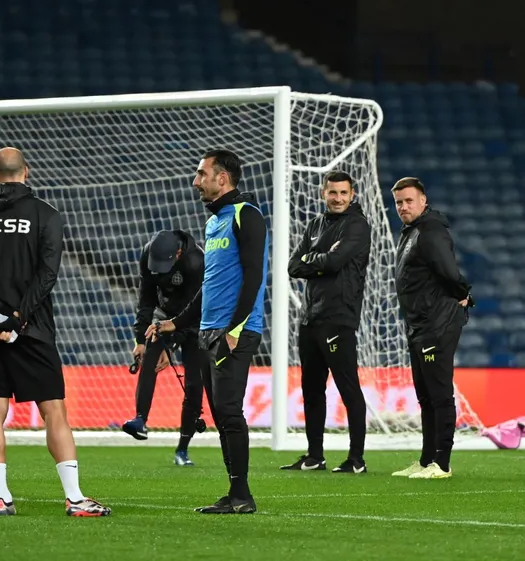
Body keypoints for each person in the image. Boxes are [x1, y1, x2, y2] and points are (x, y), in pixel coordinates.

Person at [0, 147, 111, 517]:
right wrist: (18, 318)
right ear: (27, 171)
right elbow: (47, 274)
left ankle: (2, 498)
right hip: (33, 328)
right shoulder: (45, 214)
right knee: (54, 411)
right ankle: (74, 498)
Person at [149, 149, 268, 514]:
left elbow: (254, 277)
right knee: (220, 414)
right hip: (207, 331)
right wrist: (177, 322)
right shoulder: (215, 222)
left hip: (233, 331)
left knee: (229, 411)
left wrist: (235, 329)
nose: (195, 181)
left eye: (202, 174)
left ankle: (242, 495)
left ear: (222, 178)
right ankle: (235, 493)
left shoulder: (247, 215)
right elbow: (210, 285)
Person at [283, 171, 371, 474]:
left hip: (338, 318)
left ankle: (356, 459)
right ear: (323, 193)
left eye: (343, 193)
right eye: (333, 192)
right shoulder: (315, 225)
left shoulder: (357, 225)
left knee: (348, 388)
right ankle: (314, 456)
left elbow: (334, 262)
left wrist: (313, 261)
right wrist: (319, 262)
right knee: (311, 389)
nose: (338, 198)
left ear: (352, 194)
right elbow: (293, 266)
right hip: (310, 318)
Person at [390, 177, 473, 480]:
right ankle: (427, 460)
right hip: (419, 324)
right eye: (399, 202)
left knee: (439, 394)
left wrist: (464, 294)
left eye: (409, 201)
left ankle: (443, 463)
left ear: (423, 200)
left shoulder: (431, 231)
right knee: (425, 395)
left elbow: (449, 272)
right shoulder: (412, 231)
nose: (403, 207)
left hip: (437, 323)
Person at [123, 229, 212, 466]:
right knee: (150, 354)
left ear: (178, 253)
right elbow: (146, 299)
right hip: (164, 316)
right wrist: (139, 340)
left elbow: (194, 310)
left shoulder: (196, 262)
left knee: (194, 385)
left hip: (195, 322)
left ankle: (182, 449)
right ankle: (140, 420)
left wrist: (170, 345)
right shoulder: (148, 254)